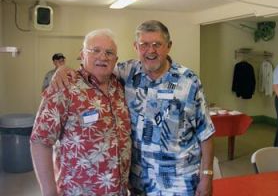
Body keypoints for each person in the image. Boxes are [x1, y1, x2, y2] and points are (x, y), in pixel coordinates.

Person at [52, 20, 215, 196]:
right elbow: (96, 68)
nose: (150, 50)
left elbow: (205, 132)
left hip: (180, 182)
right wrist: (64, 70)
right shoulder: (127, 72)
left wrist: (207, 175)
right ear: (135, 47)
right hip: (139, 182)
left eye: (157, 44)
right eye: (144, 44)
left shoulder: (189, 81)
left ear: (168, 46)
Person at [30, 29, 131, 196]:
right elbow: (40, 141)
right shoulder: (64, 87)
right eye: (95, 50)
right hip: (77, 191)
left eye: (109, 52)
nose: (103, 57)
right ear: (82, 54)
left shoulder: (120, 87)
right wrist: (49, 192)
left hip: (119, 191)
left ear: (116, 60)